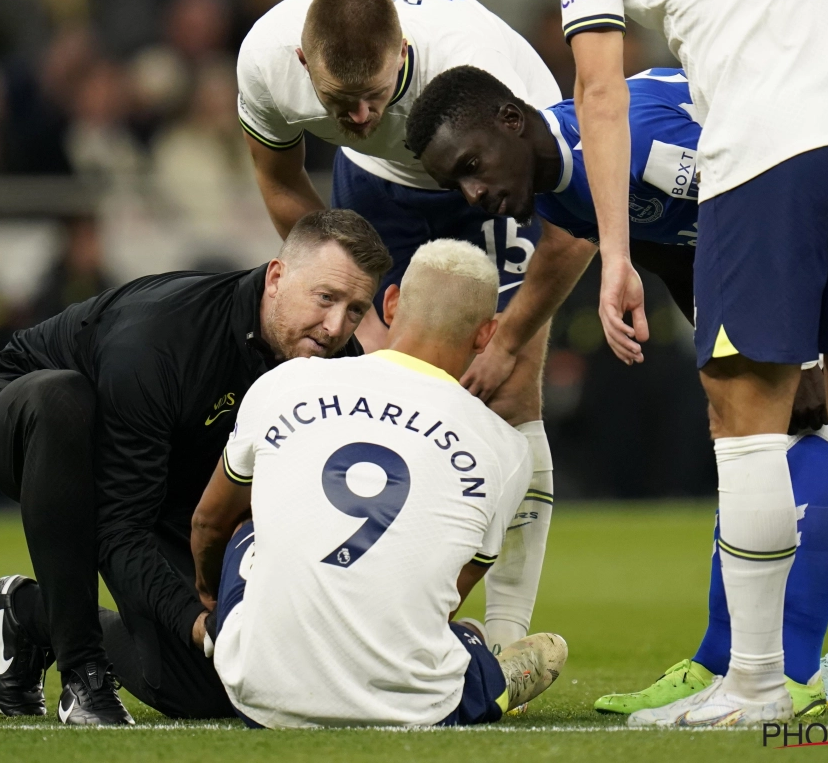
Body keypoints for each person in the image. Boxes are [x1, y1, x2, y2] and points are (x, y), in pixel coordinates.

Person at [549, 0, 828, 728]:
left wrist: (616, 255)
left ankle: (754, 684)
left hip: (767, 146)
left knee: (748, 426)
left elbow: (600, 90)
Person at [407, 64, 828, 717]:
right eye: (457, 183)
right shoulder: (551, 188)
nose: (474, 192)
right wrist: (718, 338)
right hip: (759, 250)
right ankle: (717, 662)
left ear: (512, 119)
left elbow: (774, 194)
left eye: (473, 165)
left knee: (813, 428)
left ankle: (806, 669)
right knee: (749, 435)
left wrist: (804, 348)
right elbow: (674, 239)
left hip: (827, 209)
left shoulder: (630, 143)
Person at [238, 0, 562, 656]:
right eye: (337, 102)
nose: (356, 117)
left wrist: (513, 338)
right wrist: (360, 316)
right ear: (303, 61)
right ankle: (385, 613)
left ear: (405, 52)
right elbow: (278, 181)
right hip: (379, 185)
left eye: (374, 97)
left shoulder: (487, 75)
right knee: (374, 382)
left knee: (504, 388)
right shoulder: (265, 57)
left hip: (493, 171)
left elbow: (578, 227)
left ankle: (506, 638)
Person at [0, 210, 391, 724]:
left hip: (172, 476)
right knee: (63, 401)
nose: (335, 327)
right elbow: (120, 526)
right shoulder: (162, 340)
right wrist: (197, 621)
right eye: (325, 298)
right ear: (277, 277)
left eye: (354, 310)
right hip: (31, 420)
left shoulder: (338, 367)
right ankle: (83, 674)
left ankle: (28, 613)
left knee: (214, 691)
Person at [190, 240, 569, 728]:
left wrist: (218, 604)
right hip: (414, 709)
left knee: (246, 525)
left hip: (257, 696)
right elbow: (449, 592)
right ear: (486, 335)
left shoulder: (287, 383)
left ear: (389, 305)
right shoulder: (506, 447)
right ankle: (488, 675)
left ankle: (247, 638)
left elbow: (207, 522)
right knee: (516, 649)